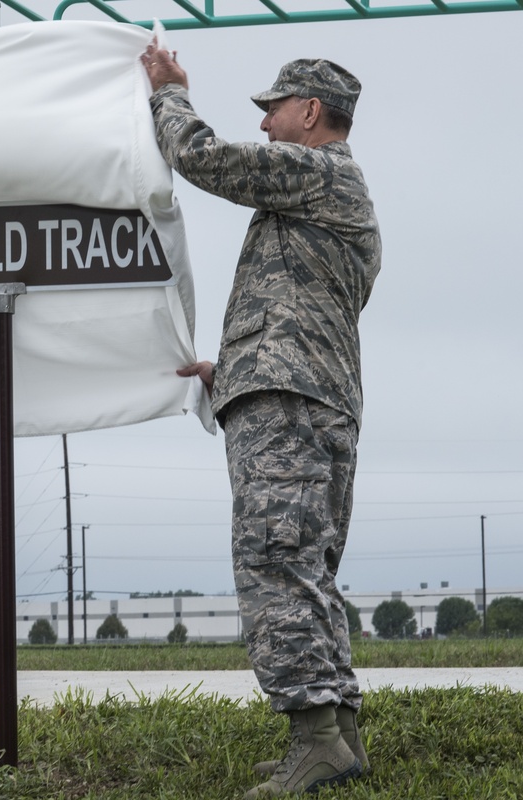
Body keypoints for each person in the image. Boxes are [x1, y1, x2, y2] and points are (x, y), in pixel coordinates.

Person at [141, 48, 382, 798]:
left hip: (291, 400)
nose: (265, 119)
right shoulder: (325, 195)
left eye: (274, 106)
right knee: (306, 565)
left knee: (274, 561)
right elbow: (295, 303)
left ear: (311, 112)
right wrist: (232, 368)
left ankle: (316, 741)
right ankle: (335, 735)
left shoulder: (319, 171)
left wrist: (171, 92)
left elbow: (200, 156)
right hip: (303, 392)